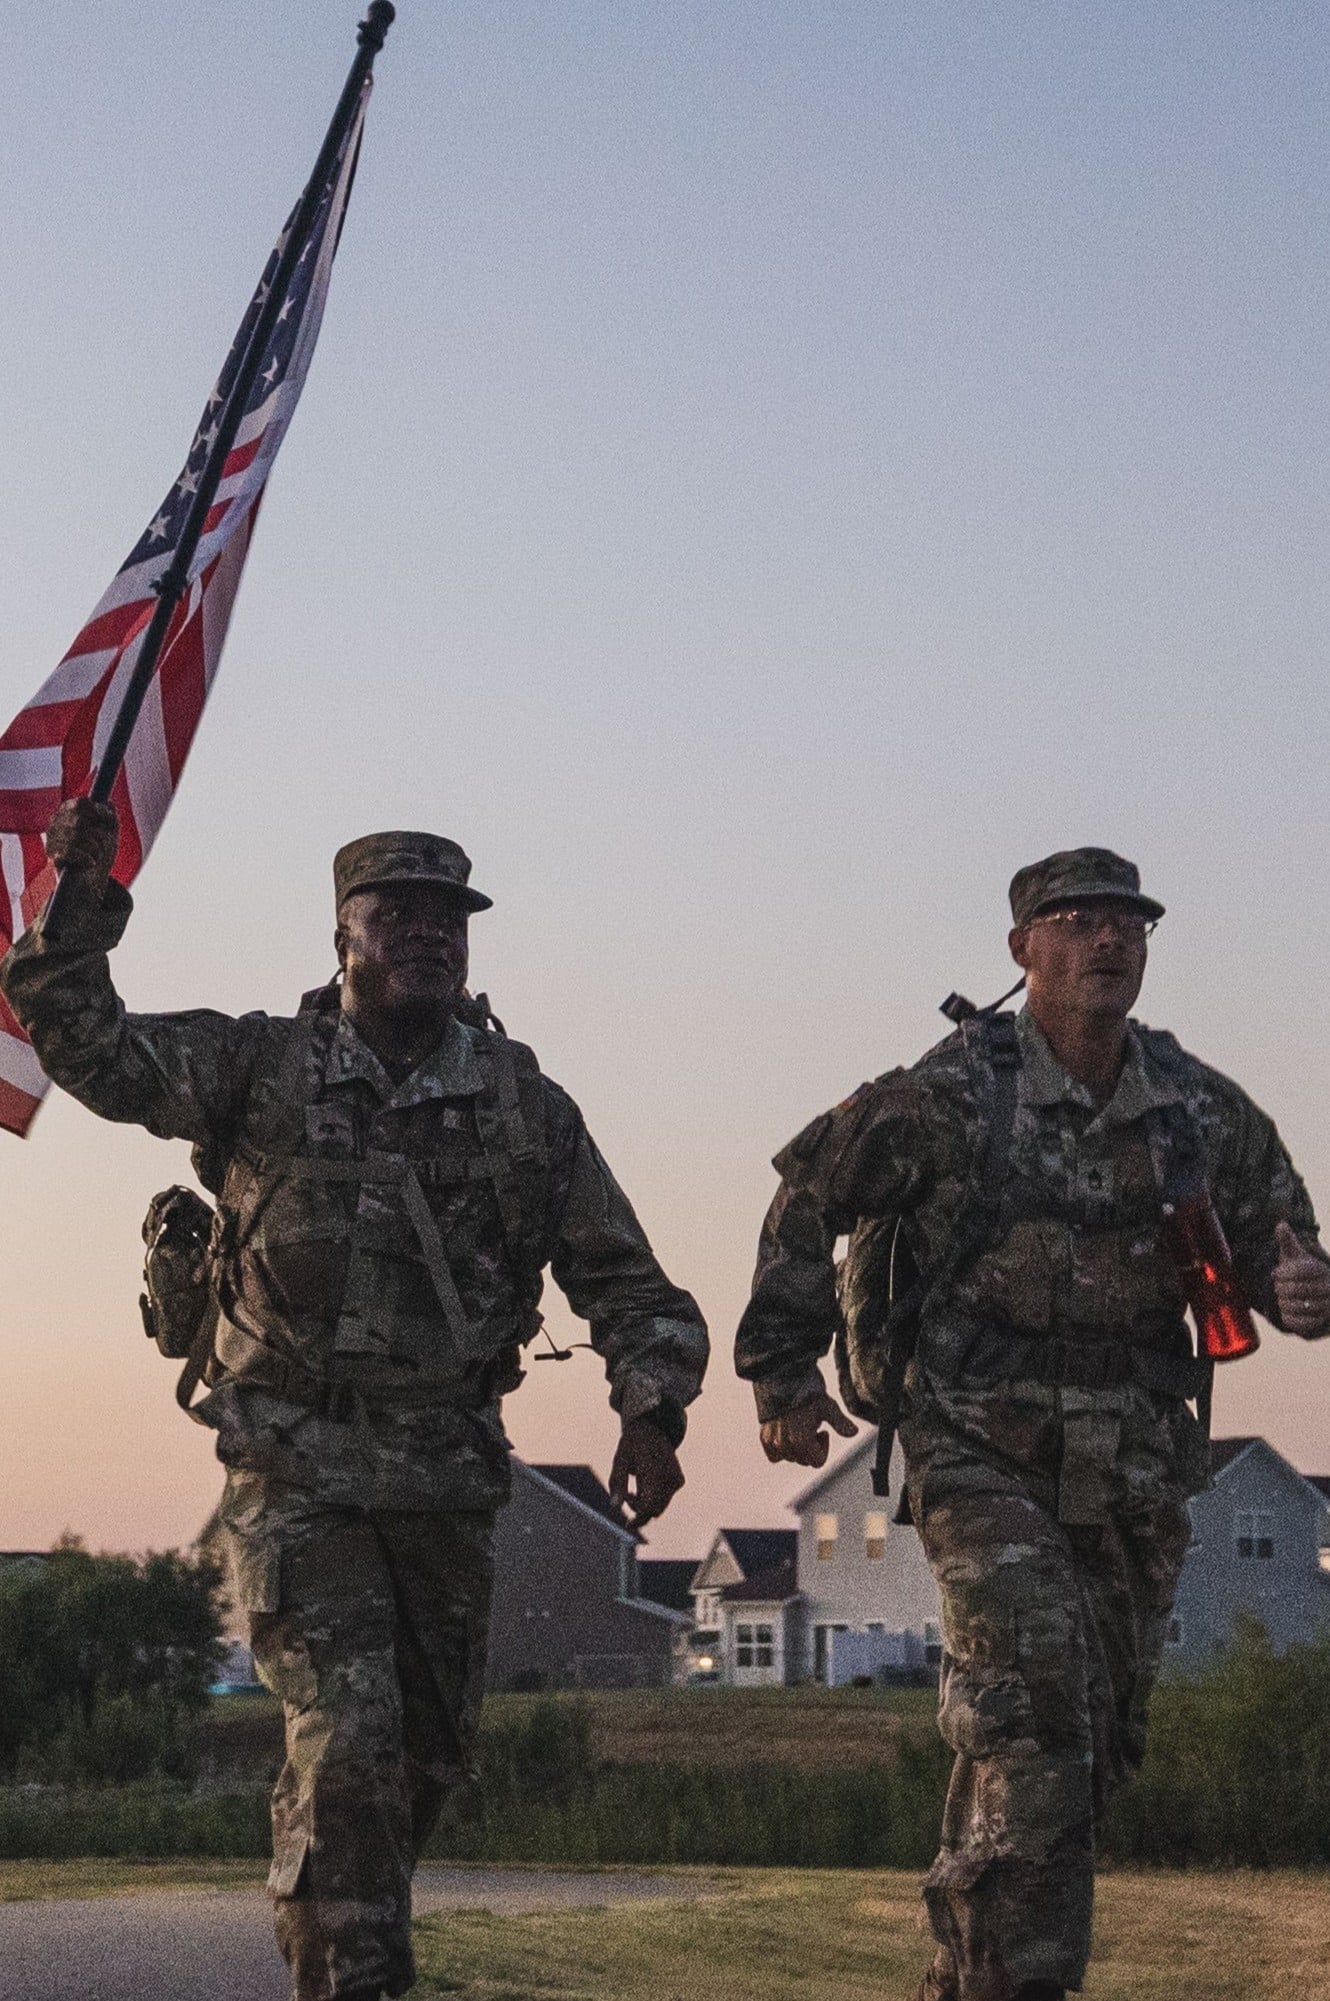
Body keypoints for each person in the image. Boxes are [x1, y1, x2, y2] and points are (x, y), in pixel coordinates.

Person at [2, 798, 709, 2001]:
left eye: (448, 918)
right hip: (294, 1462)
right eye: (398, 915)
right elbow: (86, 1042)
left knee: (424, 1757)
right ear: (344, 933)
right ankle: (354, 1979)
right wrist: (76, 898)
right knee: (351, 1746)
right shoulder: (259, 1067)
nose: (428, 935)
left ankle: (343, 1920)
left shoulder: (527, 1108)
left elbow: (626, 1280)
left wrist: (651, 1409)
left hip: (446, 1472)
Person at [734, 846, 1330, 2001]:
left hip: (1135, 1465)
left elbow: (1282, 1249)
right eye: (1076, 920)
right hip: (976, 1446)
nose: (1107, 940)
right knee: (1036, 1702)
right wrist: (780, 1375)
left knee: (1077, 1742)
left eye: (1126, 923)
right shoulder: (956, 1092)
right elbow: (808, 1195)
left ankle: (964, 1976)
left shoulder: (1199, 1109)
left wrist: (1301, 1288)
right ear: (1022, 947)